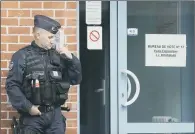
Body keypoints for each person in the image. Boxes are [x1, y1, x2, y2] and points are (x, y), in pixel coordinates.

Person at [5, 15, 82, 134]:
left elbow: (75, 79)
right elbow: (12, 85)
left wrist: (71, 58)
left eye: (54, 37)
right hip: (33, 118)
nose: (52, 40)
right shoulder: (22, 56)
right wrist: (28, 108)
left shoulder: (58, 56)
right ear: (38, 35)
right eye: (50, 37)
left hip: (55, 117)